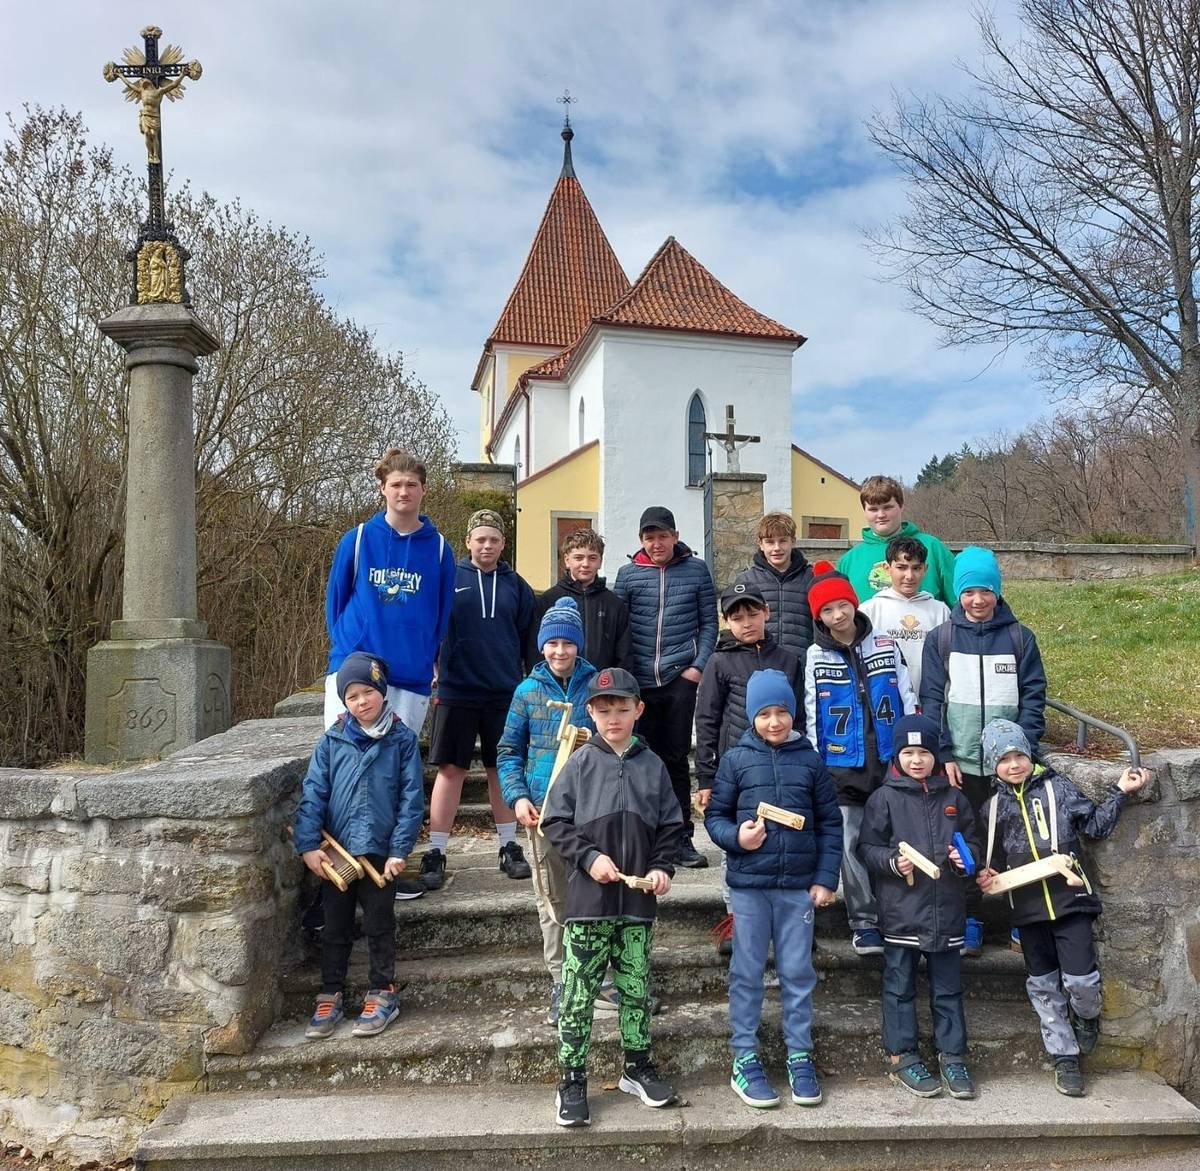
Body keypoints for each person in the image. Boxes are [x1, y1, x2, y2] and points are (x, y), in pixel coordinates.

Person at [542, 667, 685, 1127]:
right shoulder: (580, 763)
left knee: (636, 989)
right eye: (604, 710)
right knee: (579, 993)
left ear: (638, 710)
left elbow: (670, 826)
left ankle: (637, 1067)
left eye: (622, 709)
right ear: (591, 712)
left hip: (638, 905)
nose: (613, 718)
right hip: (588, 905)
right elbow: (555, 822)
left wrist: (662, 867)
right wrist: (588, 859)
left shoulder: (654, 765)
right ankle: (572, 1078)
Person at [975, 719, 1149, 1097]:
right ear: (993, 766)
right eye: (1003, 759)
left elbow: (1094, 828)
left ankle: (1086, 1017)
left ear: (1029, 754)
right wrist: (984, 874)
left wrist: (1121, 791)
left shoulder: (1059, 787)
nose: (1014, 764)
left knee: (1081, 982)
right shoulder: (992, 808)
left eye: (1019, 754)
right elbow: (989, 860)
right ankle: (1063, 1056)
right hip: (1027, 910)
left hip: (1072, 903)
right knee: (1043, 985)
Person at [704, 669, 842, 1109]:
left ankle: (799, 1055)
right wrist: (737, 838)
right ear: (751, 717)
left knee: (798, 973)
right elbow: (716, 818)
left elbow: (830, 824)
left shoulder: (811, 760)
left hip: (798, 889)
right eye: (764, 713)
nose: (774, 721)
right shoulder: (736, 759)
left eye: (782, 711)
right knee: (746, 972)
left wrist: (824, 878)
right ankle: (744, 1057)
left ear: (793, 713)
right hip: (749, 887)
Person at [920, 546, 1047, 956]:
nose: (978, 601)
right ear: (958, 593)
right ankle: (969, 919)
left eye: (986, 591)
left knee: (1019, 842)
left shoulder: (1019, 638)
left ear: (997, 591)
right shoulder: (941, 638)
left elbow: (1033, 696)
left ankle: (1022, 922)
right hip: (962, 766)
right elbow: (932, 698)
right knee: (966, 844)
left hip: (1009, 767)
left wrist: (1020, 751)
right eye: (970, 592)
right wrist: (945, 753)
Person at [293, 652, 424, 1041]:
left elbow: (411, 799)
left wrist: (401, 850)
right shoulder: (332, 740)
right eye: (352, 696)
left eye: (368, 692)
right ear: (344, 702)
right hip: (338, 855)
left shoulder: (402, 741)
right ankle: (330, 992)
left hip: (381, 855)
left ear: (382, 692)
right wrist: (307, 845)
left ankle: (383, 991)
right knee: (334, 925)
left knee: (381, 924)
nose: (362, 702)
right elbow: (313, 793)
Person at [857, 714, 980, 1100]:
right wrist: (893, 862)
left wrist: (966, 859)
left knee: (948, 989)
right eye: (908, 752)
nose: (916, 760)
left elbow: (973, 843)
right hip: (901, 912)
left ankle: (953, 1056)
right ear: (897, 756)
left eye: (924, 752)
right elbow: (867, 848)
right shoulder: (884, 798)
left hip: (947, 910)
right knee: (899, 986)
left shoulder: (955, 799)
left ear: (935, 755)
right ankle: (902, 1055)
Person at [804, 562, 916, 956]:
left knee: (894, 841)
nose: (837, 616)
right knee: (850, 845)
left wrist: (910, 749)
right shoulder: (815, 655)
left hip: (888, 761)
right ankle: (864, 922)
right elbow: (812, 714)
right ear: (818, 616)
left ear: (854, 604)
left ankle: (899, 915)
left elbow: (907, 697)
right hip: (842, 766)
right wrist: (819, 765)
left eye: (842, 606)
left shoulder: (885, 643)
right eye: (827, 611)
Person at [421, 509, 536, 891]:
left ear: (503, 545)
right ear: (468, 542)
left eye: (494, 540)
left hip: (504, 692)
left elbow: (525, 638)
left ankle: (508, 846)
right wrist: (434, 666)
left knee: (499, 771)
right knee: (450, 771)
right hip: (456, 690)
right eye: (480, 539)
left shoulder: (517, 586)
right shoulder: (448, 577)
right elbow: (430, 627)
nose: (487, 545)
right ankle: (436, 851)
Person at [497, 598, 597, 1026]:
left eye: (568, 643)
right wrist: (518, 797)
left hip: (590, 812)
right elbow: (508, 751)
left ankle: (596, 976)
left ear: (579, 646)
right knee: (551, 901)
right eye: (552, 643)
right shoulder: (527, 691)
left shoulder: (596, 686)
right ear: (542, 647)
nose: (560, 651)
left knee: (594, 896)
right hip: (542, 814)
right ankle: (561, 981)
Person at [695, 582, 803, 956]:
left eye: (752, 613)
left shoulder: (789, 659)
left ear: (766, 613)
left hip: (785, 766)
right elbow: (707, 719)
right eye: (737, 617)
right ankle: (737, 917)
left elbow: (800, 716)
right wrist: (706, 777)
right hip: (736, 770)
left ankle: (787, 920)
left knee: (785, 838)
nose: (746, 623)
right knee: (737, 843)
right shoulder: (719, 661)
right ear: (727, 621)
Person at [324, 448, 456, 736]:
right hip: (354, 673)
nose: (403, 492)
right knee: (345, 766)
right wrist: (348, 648)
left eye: (411, 484)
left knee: (395, 771)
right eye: (396, 484)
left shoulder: (440, 550)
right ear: (383, 488)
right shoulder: (357, 540)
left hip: (409, 674)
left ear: (424, 489)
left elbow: (441, 614)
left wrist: (426, 655)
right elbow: (336, 602)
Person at [614, 506, 718, 869]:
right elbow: (620, 629)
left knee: (674, 759)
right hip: (639, 684)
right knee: (638, 759)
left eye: (663, 536)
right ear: (641, 540)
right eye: (649, 537)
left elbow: (709, 623)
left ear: (675, 536)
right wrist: (626, 678)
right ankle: (641, 836)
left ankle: (681, 838)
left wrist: (697, 667)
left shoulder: (697, 570)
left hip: (679, 679)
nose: (656, 543)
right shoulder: (627, 575)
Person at [837, 475, 956, 606]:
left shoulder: (933, 548)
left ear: (901, 506)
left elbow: (958, 605)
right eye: (873, 509)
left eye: (887, 507)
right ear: (864, 511)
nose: (881, 515)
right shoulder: (848, 562)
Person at [859, 535, 951, 696]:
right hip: (884, 701)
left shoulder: (940, 611)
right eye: (901, 567)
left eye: (916, 568)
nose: (909, 576)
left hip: (930, 703)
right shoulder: (869, 610)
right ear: (887, 569)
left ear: (925, 569)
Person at [530, 528, 632, 672]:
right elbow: (534, 649)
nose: (585, 564)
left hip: (601, 688)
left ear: (600, 562)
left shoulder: (614, 605)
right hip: (558, 688)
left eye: (592, 558)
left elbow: (624, 654)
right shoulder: (548, 600)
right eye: (578, 558)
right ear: (567, 560)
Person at [733, 512, 814, 660]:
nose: (777, 548)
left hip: (802, 667)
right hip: (759, 664)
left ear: (793, 541)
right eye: (770, 542)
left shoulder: (812, 578)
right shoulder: (745, 581)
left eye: (783, 541)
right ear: (761, 544)